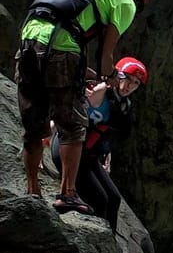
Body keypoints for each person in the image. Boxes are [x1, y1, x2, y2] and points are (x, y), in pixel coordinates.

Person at [16, 0, 150, 213]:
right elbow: (105, 56)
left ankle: (32, 191)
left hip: (29, 39)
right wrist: (109, 76)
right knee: (73, 126)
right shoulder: (124, 1)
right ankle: (67, 194)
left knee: (33, 125)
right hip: (62, 43)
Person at [51, 56, 147, 236]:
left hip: (89, 155)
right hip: (70, 149)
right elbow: (71, 109)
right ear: (117, 75)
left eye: (135, 83)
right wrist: (49, 131)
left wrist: (106, 152)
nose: (129, 86)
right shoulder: (101, 91)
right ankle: (98, 240)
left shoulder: (123, 103)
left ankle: (111, 244)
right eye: (127, 78)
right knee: (100, 200)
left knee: (114, 198)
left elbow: (105, 131)